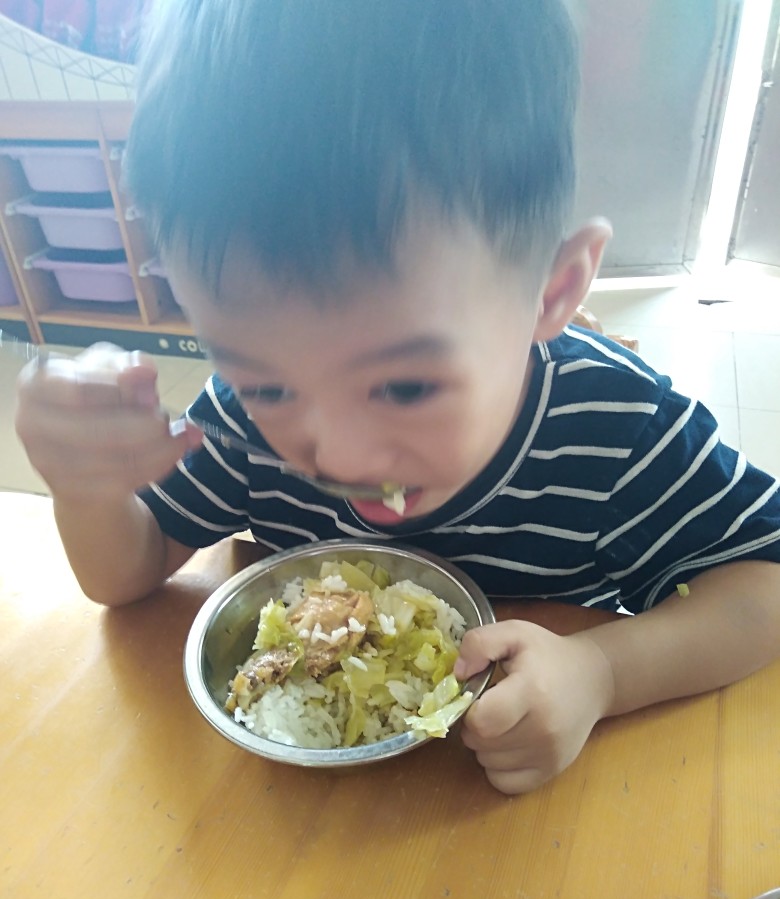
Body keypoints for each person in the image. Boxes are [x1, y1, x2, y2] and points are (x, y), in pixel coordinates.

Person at [15, 0, 780, 795]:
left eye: (406, 385)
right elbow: (126, 574)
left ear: (550, 293)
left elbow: (763, 581)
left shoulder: (615, 427)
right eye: (268, 382)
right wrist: (85, 486)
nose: (336, 454)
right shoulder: (241, 415)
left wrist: (602, 672)